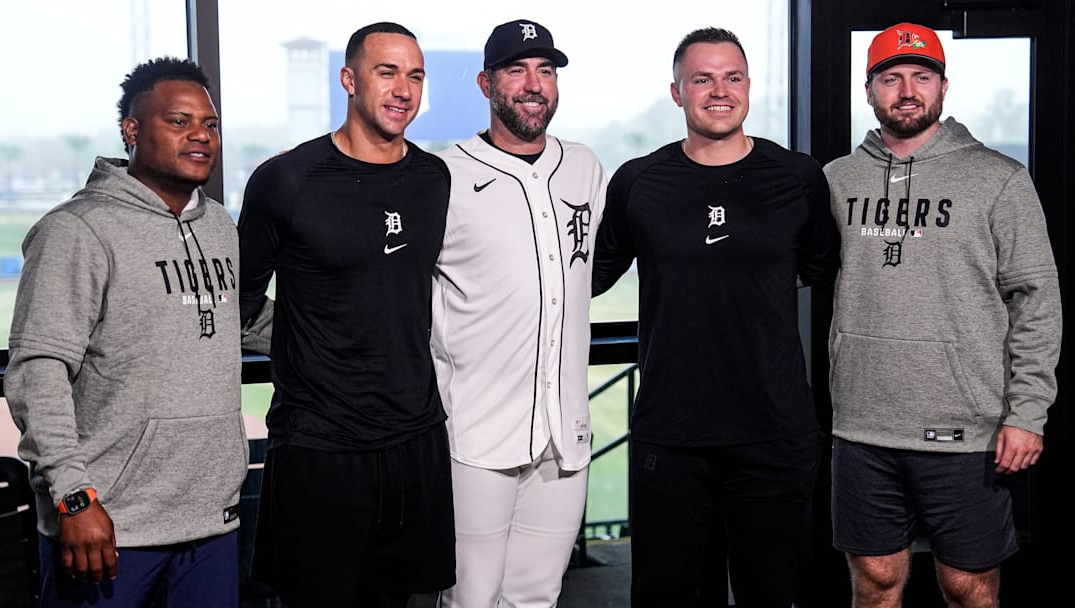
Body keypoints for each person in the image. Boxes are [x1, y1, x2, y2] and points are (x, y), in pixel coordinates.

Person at [592, 27, 840, 607]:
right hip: (669, 434)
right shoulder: (638, 181)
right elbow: (587, 277)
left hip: (773, 431)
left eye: (732, 77)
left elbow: (818, 264)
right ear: (677, 92)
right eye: (702, 79)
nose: (719, 91)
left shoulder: (798, 177)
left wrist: (741, 279)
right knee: (664, 597)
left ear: (749, 86)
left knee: (771, 596)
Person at [823, 22, 1062, 608]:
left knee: (967, 586)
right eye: (891, 78)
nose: (907, 91)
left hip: (968, 427)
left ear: (943, 87)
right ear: (869, 90)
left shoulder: (999, 179)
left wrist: (1027, 414)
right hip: (861, 426)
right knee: (874, 582)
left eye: (921, 76)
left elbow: (1036, 299)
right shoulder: (836, 180)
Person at [3, 57, 246, 607]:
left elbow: (240, 319)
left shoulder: (219, 225)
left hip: (211, 518)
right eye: (179, 122)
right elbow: (38, 372)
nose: (200, 135)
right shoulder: (76, 231)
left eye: (209, 124)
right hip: (108, 524)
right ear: (132, 131)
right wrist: (74, 498)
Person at [237, 22, 454, 607]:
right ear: (349, 80)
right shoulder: (286, 180)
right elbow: (239, 303)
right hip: (320, 447)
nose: (403, 89)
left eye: (415, 76)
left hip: (414, 439)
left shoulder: (434, 179)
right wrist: (315, 346)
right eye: (387, 72)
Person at [430, 19, 607, 607]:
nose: (534, 84)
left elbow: (587, 271)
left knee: (537, 596)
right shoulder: (443, 173)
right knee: (470, 599)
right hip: (475, 431)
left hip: (564, 431)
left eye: (545, 70)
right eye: (516, 70)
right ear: (486, 84)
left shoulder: (584, 166)